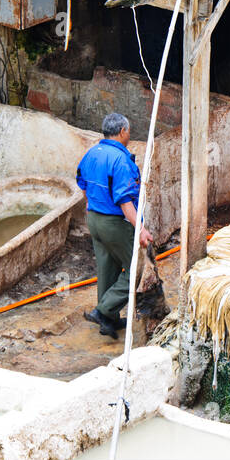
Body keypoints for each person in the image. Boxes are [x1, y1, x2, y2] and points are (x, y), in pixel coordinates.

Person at [75, 112, 167, 337]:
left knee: (107, 268)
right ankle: (103, 310)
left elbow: (82, 184)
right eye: (129, 130)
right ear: (123, 131)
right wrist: (141, 229)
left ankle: (109, 321)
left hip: (94, 218)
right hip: (113, 222)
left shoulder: (92, 153)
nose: (130, 133)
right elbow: (125, 201)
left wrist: (94, 205)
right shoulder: (121, 160)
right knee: (136, 267)